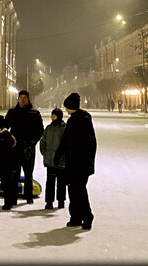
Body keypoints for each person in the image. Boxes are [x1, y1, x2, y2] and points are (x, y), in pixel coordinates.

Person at [56, 93, 96, 231]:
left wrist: (59, 154)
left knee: (78, 190)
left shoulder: (78, 121)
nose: (65, 110)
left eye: (67, 107)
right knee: (74, 189)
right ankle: (76, 217)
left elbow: (70, 141)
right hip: (75, 162)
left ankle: (87, 216)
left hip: (79, 163)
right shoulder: (78, 119)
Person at [4, 90, 44, 205]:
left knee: (28, 173)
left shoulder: (34, 113)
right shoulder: (12, 112)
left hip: (28, 148)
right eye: (20, 97)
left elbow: (40, 130)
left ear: (28, 99)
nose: (22, 99)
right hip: (14, 148)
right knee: (14, 174)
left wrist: (32, 143)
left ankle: (28, 196)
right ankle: (13, 197)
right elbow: (6, 127)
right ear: (17, 99)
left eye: (24, 97)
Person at [39, 108, 67, 210]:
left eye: (54, 115)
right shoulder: (49, 128)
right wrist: (45, 153)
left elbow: (66, 144)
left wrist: (63, 156)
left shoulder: (64, 129)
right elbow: (43, 141)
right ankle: (49, 202)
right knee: (50, 182)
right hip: (49, 160)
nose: (52, 117)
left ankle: (61, 201)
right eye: (52, 115)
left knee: (61, 182)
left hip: (60, 161)